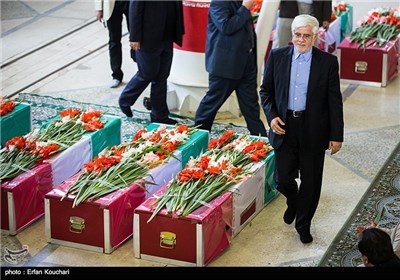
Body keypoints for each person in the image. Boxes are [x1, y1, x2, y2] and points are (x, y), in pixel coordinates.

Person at [260, 14, 344, 244]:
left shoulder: (327, 62)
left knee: (311, 180)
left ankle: (303, 224)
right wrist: (272, 117)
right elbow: (265, 91)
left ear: (315, 36)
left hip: (313, 129)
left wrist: (336, 135)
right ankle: (293, 201)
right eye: (297, 34)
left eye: (307, 36)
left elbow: (334, 100)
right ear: (292, 34)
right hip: (284, 126)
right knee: (281, 179)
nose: (301, 39)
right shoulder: (277, 57)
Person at [194, 0, 267, 137]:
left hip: (247, 62)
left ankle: (261, 140)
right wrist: (245, 8)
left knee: (251, 107)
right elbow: (226, 27)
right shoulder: (219, 2)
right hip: (225, 64)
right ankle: (198, 138)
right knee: (211, 105)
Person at [118, 0, 184, 124]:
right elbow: (134, 9)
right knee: (147, 73)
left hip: (168, 35)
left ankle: (160, 116)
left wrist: (179, 30)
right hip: (147, 37)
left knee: (161, 77)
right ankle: (125, 99)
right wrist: (135, 37)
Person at [95, 0, 130, 88]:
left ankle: (143, 72)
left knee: (137, 37)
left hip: (132, 3)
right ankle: (116, 75)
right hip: (112, 5)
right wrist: (99, 8)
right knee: (114, 41)